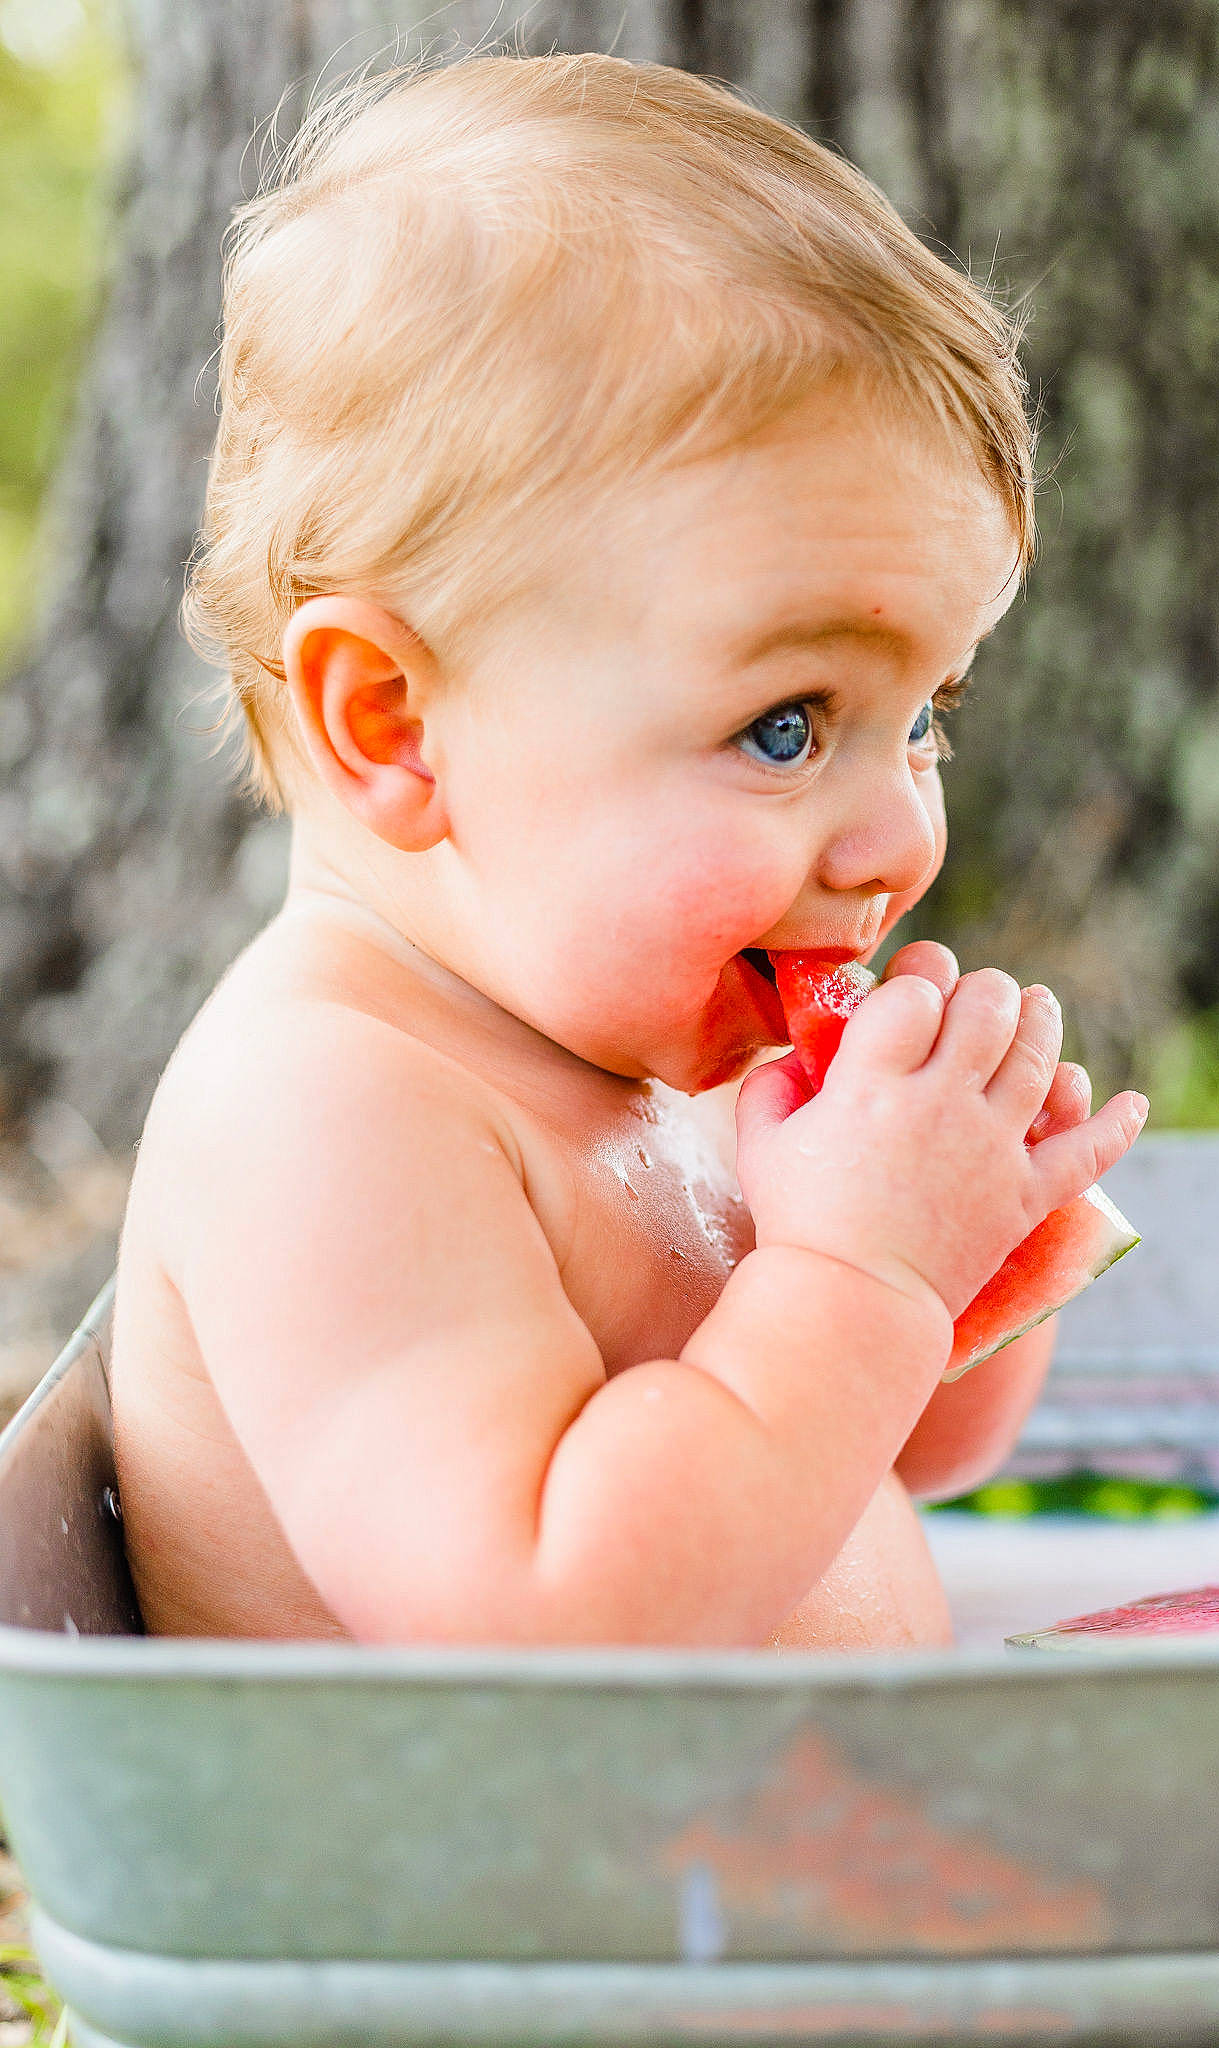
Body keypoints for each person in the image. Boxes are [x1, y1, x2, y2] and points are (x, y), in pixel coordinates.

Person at [109, 52, 1147, 1648]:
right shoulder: (329, 1113)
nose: (898, 832)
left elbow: (910, 1446)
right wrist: (858, 1277)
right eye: (788, 727)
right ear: (391, 725)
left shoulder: (619, 1035)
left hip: (754, 1878)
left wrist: (946, 1244)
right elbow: (551, 1619)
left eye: (924, 713)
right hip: (516, 1899)